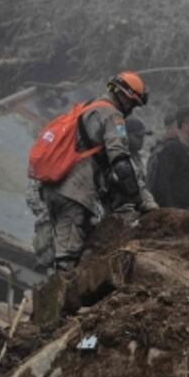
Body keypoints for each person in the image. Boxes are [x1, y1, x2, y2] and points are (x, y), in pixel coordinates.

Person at [41, 72, 156, 271]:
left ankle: (60, 292)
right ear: (124, 96)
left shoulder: (88, 107)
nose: (131, 110)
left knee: (63, 248)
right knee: (68, 259)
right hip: (75, 192)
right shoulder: (113, 116)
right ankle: (63, 298)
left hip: (54, 187)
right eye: (132, 104)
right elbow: (120, 162)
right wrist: (140, 200)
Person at [148, 106, 189, 213]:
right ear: (183, 124)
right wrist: (171, 211)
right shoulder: (170, 148)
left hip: (185, 210)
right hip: (170, 211)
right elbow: (162, 183)